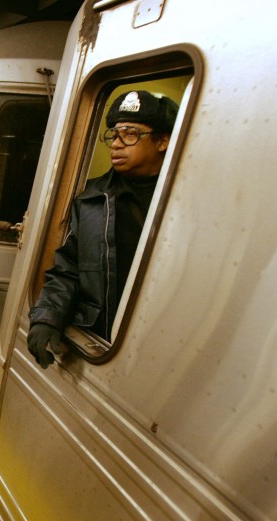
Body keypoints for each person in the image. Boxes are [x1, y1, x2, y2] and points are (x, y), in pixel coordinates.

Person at [27, 90, 178, 368]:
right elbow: (68, 268)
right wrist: (47, 318)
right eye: (114, 134)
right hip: (104, 341)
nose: (116, 144)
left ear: (163, 141)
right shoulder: (92, 199)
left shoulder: (184, 198)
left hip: (163, 344)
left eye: (130, 134)